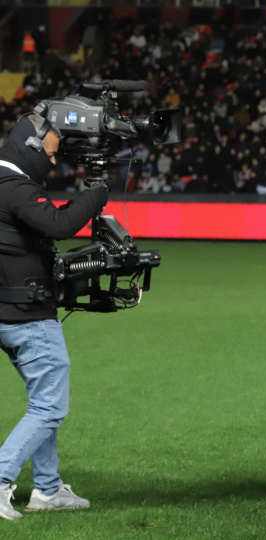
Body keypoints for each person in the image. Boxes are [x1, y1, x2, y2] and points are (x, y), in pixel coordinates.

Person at [0, 112, 108, 521]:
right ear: (29, 146)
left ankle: (46, 489)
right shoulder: (14, 187)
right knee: (49, 406)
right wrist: (96, 193)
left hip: (9, 308)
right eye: (49, 154)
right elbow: (59, 222)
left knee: (40, 401)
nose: (52, 162)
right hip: (28, 313)